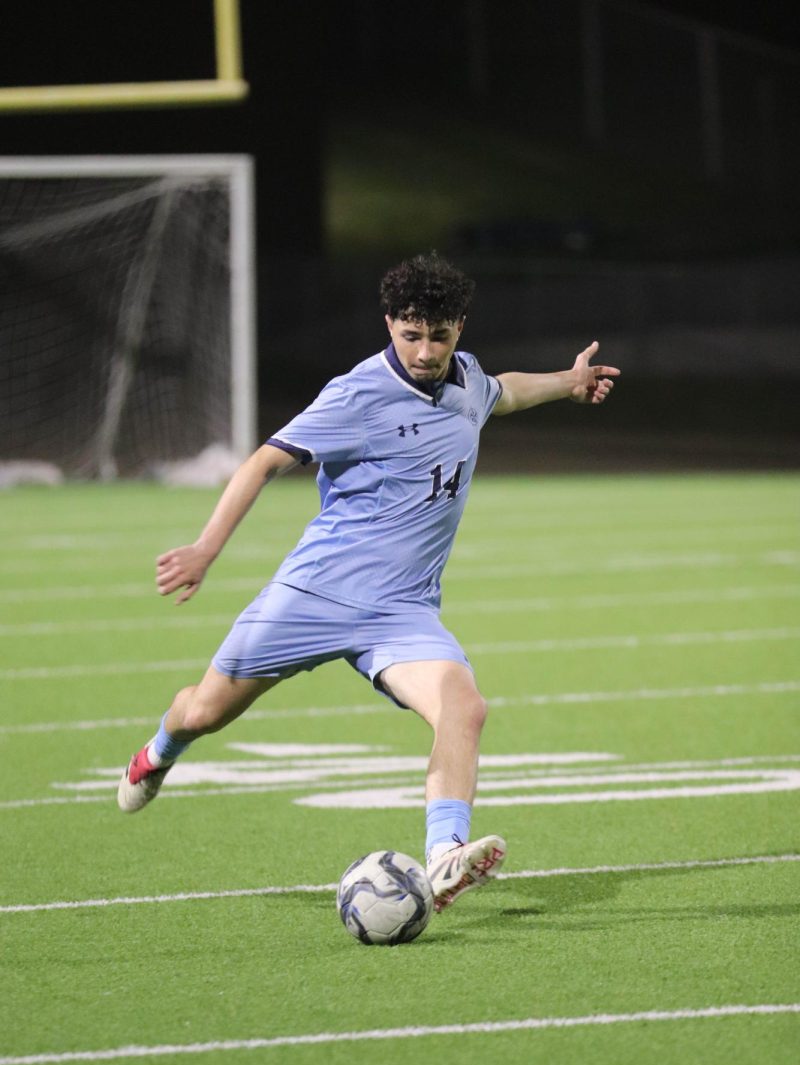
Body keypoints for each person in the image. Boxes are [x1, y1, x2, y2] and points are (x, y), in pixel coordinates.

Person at [118, 251, 619, 912]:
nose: (424, 350)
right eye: (410, 335)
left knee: (463, 708)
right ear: (390, 324)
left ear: (459, 329)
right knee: (205, 712)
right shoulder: (356, 394)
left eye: (438, 336)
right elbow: (264, 462)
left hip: (401, 612)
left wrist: (568, 381)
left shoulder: (465, 380)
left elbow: (506, 389)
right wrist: (207, 548)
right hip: (314, 595)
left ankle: (444, 856)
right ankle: (158, 750)